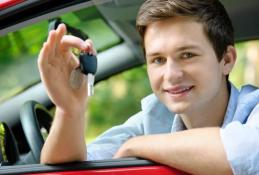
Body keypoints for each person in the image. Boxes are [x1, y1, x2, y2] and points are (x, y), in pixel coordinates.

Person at [38, 0, 259, 174]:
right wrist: (69, 110)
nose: (171, 75)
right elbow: (71, 167)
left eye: (188, 55)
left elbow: (247, 153)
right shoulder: (151, 119)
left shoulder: (254, 108)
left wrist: (136, 146)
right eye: (158, 60)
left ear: (227, 60)